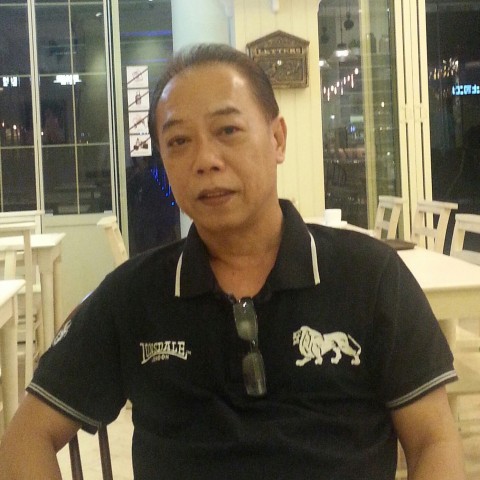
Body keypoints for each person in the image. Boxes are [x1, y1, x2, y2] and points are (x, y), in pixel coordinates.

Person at [0, 44, 465, 479]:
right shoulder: (133, 295)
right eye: (178, 141)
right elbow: (27, 437)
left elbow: (433, 439)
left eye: (227, 131)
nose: (205, 160)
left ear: (277, 138)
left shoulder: (370, 276)